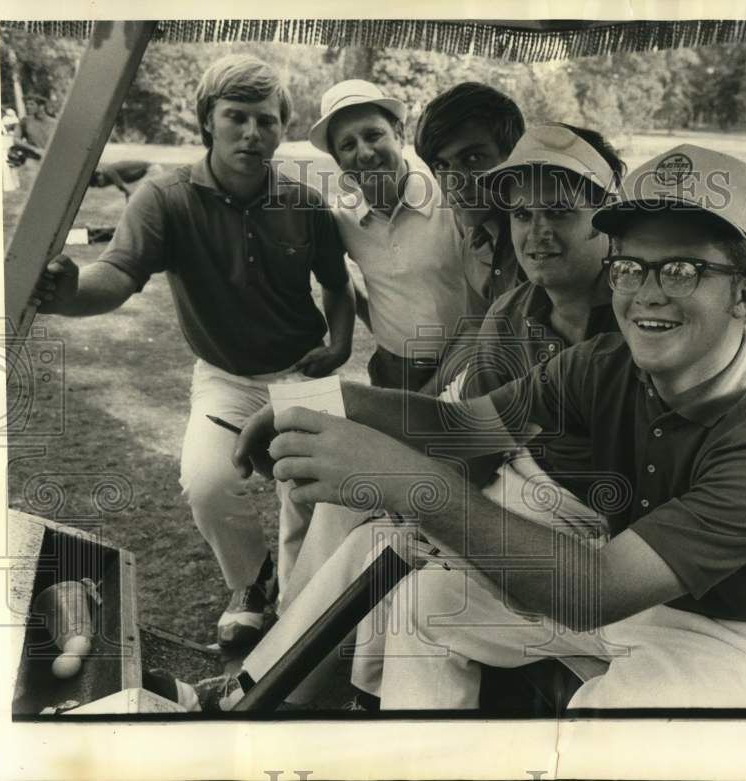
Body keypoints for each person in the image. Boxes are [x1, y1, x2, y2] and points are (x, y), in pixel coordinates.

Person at [237, 144, 746, 710]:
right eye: (631, 267)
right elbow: (461, 428)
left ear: (744, 294)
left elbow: (592, 591)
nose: (648, 294)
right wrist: (326, 398)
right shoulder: (603, 363)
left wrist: (401, 480)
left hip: (738, 636)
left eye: (681, 270)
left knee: (597, 733)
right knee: (425, 600)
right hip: (634, 592)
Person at [28, 54, 356, 648]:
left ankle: (303, 607)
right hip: (225, 376)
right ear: (208, 120)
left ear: (282, 127)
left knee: (310, 495)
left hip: (301, 372)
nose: (253, 134)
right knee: (206, 483)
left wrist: (340, 345)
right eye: (236, 117)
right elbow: (117, 276)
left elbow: (337, 284)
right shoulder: (164, 197)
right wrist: (66, 292)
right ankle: (251, 585)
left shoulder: (306, 202)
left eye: (267, 120)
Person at [309, 79, 465, 393]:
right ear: (338, 161)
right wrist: (374, 323)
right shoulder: (344, 217)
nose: (365, 153)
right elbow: (336, 278)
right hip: (392, 370)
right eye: (348, 145)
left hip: (465, 365)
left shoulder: (450, 200)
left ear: (399, 134)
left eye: (373, 135)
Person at [411, 82, 527, 393]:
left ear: (512, 156)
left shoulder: (538, 247)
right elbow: (477, 333)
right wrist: (420, 399)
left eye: (472, 160)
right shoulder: (473, 242)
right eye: (441, 165)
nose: (454, 182)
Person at [89, 160, 165, 200]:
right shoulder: (111, 175)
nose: (101, 186)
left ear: (99, 176)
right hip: (150, 170)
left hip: (152, 170)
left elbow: (125, 188)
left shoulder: (108, 171)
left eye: (98, 184)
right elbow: (127, 192)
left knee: (143, 196)